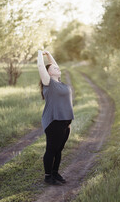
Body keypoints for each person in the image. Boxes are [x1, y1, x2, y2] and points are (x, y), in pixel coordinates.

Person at [37, 49, 74, 185]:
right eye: (54, 68)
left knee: (59, 149)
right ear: (48, 73)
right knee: (51, 150)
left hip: (65, 122)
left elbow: (55, 65)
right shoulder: (49, 83)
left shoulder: (60, 83)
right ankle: (48, 177)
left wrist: (49, 55)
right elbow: (41, 66)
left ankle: (55, 173)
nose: (57, 68)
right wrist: (40, 53)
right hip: (54, 122)